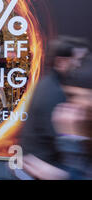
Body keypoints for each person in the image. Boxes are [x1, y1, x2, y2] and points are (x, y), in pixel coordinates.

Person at [17, 35, 89, 178]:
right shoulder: (54, 92)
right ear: (61, 62)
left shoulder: (49, 85)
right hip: (43, 168)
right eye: (77, 60)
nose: (78, 65)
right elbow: (61, 141)